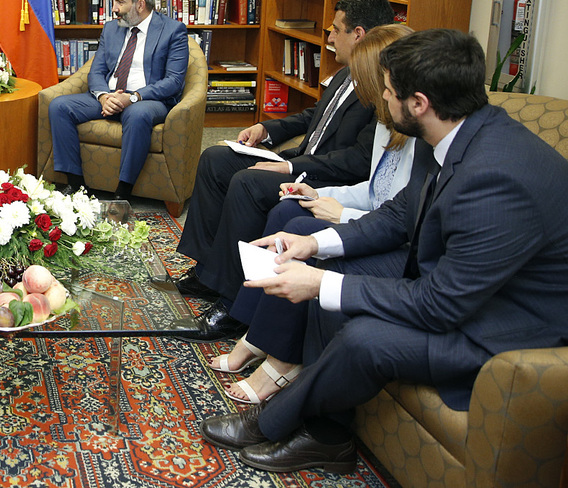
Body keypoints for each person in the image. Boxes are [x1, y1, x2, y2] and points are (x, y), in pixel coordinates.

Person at [199, 28, 568, 475]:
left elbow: (441, 304)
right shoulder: (455, 133)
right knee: (330, 267)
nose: (381, 100)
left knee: (363, 336)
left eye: (389, 92)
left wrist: (320, 283)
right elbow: (399, 213)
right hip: (462, 285)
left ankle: (279, 423)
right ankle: (327, 435)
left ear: (419, 103)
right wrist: (315, 243)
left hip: (508, 326)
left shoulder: (497, 178)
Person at [210, 24, 415, 405]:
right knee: (289, 208)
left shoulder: (416, 137)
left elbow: (397, 215)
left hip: (379, 232)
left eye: (366, 79)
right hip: (359, 210)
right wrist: (318, 194)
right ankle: (256, 332)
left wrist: (342, 213)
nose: (361, 86)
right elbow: (374, 190)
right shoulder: (386, 125)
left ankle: (274, 352)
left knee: (296, 223)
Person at [173, 0, 395, 340]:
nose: (329, 38)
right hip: (299, 159)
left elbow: (358, 160)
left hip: (325, 177)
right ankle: (207, 272)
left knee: (247, 183)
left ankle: (233, 303)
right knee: (216, 159)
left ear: (359, 34)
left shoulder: (379, 89)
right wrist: (267, 129)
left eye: (336, 30)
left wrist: (290, 169)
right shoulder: (344, 73)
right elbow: (314, 117)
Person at [47, 0, 189, 200]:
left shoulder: (172, 31)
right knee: (59, 107)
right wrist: (104, 97)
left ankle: (123, 192)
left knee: (137, 115)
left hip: (146, 100)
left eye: (120, 2)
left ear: (140, 5)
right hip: (110, 95)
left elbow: (174, 81)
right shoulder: (111, 28)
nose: (114, 9)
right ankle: (76, 185)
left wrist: (133, 97)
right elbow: (96, 71)